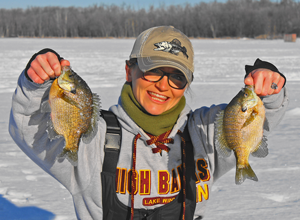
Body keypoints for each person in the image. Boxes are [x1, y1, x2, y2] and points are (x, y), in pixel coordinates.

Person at [9, 26, 288, 220]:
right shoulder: (91, 138)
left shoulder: (203, 133)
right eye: (153, 70)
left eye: (176, 77)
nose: (163, 85)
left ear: (187, 84)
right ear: (129, 71)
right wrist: (35, 84)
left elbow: (254, 120)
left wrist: (269, 86)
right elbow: (27, 128)